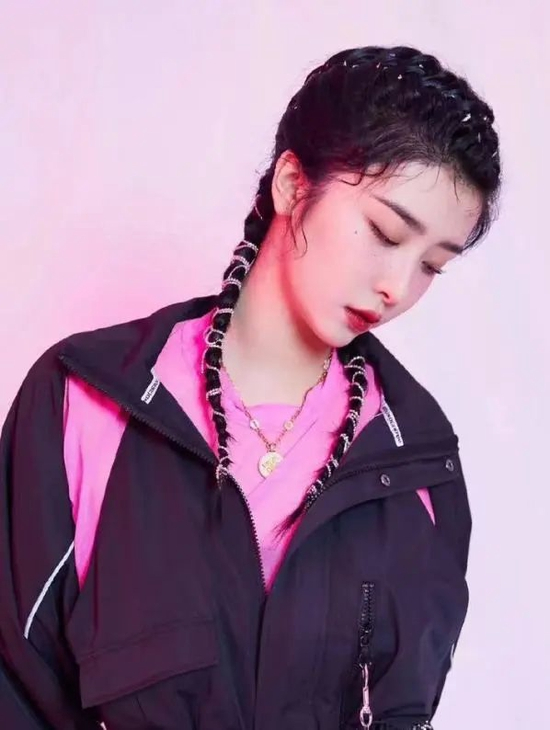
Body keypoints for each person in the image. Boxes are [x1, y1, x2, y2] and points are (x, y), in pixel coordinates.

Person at [0, 44, 501, 730]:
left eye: (432, 266)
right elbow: (16, 684)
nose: (398, 287)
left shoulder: (419, 462)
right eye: (385, 233)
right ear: (293, 185)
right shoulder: (81, 403)